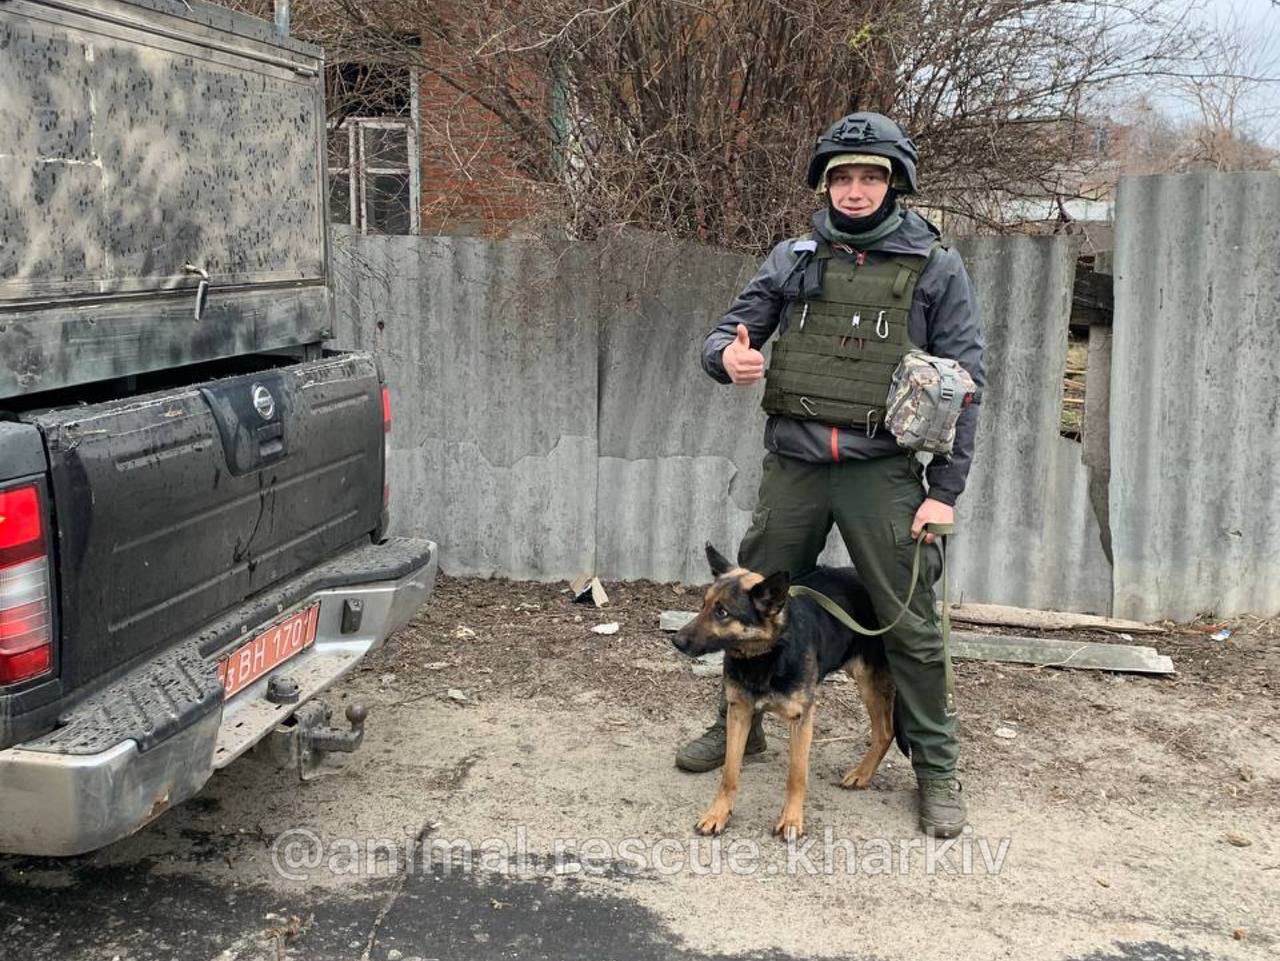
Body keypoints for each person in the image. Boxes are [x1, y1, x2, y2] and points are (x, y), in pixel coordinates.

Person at [676, 112, 985, 838]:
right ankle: (739, 724)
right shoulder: (793, 257)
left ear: (895, 183)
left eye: (871, 176)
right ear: (825, 183)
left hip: (881, 468)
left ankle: (936, 767)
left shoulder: (935, 265)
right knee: (747, 600)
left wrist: (944, 491)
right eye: (842, 176)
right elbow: (725, 334)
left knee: (909, 622)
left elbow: (965, 382)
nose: (854, 189)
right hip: (798, 464)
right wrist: (726, 357)